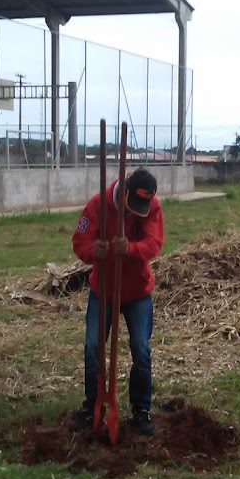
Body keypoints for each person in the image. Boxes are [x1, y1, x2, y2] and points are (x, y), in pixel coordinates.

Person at [70, 168, 164, 435]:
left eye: (142, 207)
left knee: (141, 348)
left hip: (138, 292)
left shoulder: (151, 206)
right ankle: (93, 407)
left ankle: (141, 410)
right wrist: (93, 251)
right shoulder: (97, 205)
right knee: (93, 347)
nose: (138, 212)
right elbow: (80, 242)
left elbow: (154, 242)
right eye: (133, 206)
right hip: (104, 291)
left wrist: (131, 249)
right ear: (123, 193)